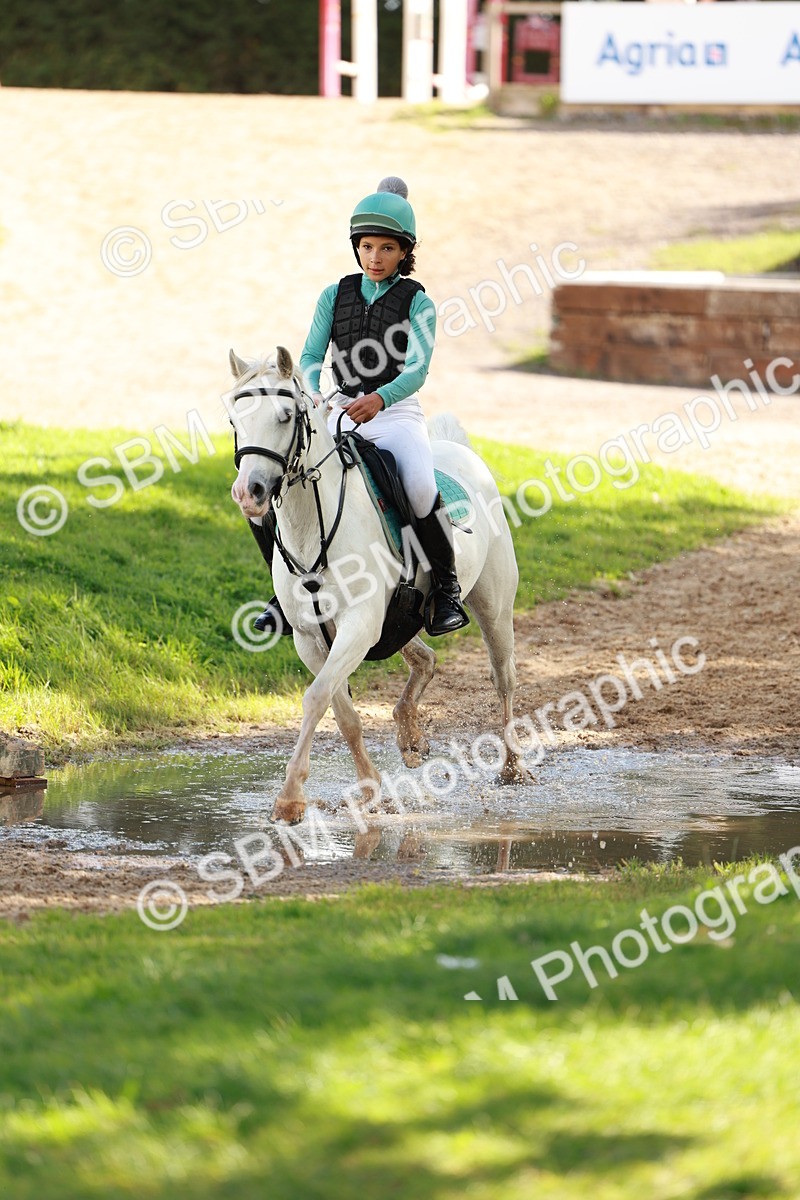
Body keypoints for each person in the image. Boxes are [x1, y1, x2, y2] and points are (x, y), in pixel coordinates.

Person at [250, 176, 469, 640]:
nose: (374, 257)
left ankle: (445, 589)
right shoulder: (334, 296)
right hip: (337, 410)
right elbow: (309, 358)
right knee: (274, 486)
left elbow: (417, 369)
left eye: (386, 249)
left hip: (395, 416)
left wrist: (380, 398)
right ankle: (281, 592)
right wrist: (318, 391)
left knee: (419, 486)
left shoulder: (419, 303)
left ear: (404, 253)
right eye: (367, 246)